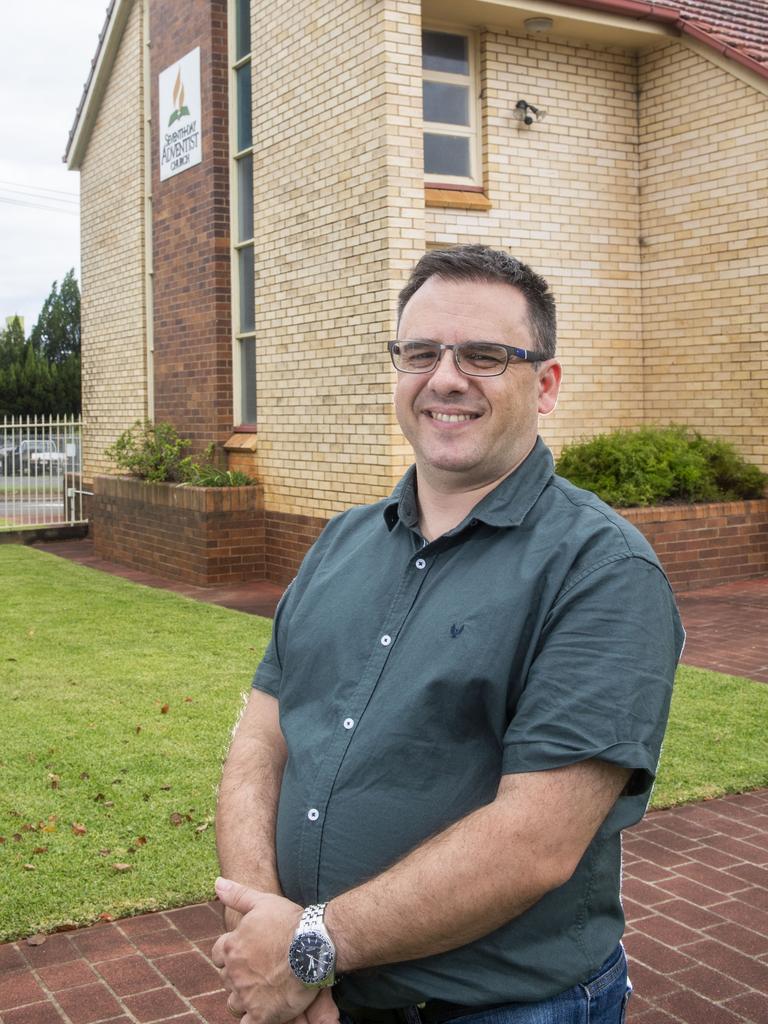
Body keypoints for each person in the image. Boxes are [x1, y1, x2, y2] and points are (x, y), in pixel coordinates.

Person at [212, 245, 684, 1024]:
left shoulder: (602, 570)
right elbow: (260, 743)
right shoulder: (340, 542)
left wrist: (306, 951)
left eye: (486, 355)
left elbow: (534, 842)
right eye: (422, 352)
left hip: (500, 1008)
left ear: (548, 384)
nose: (445, 378)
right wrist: (266, 930)